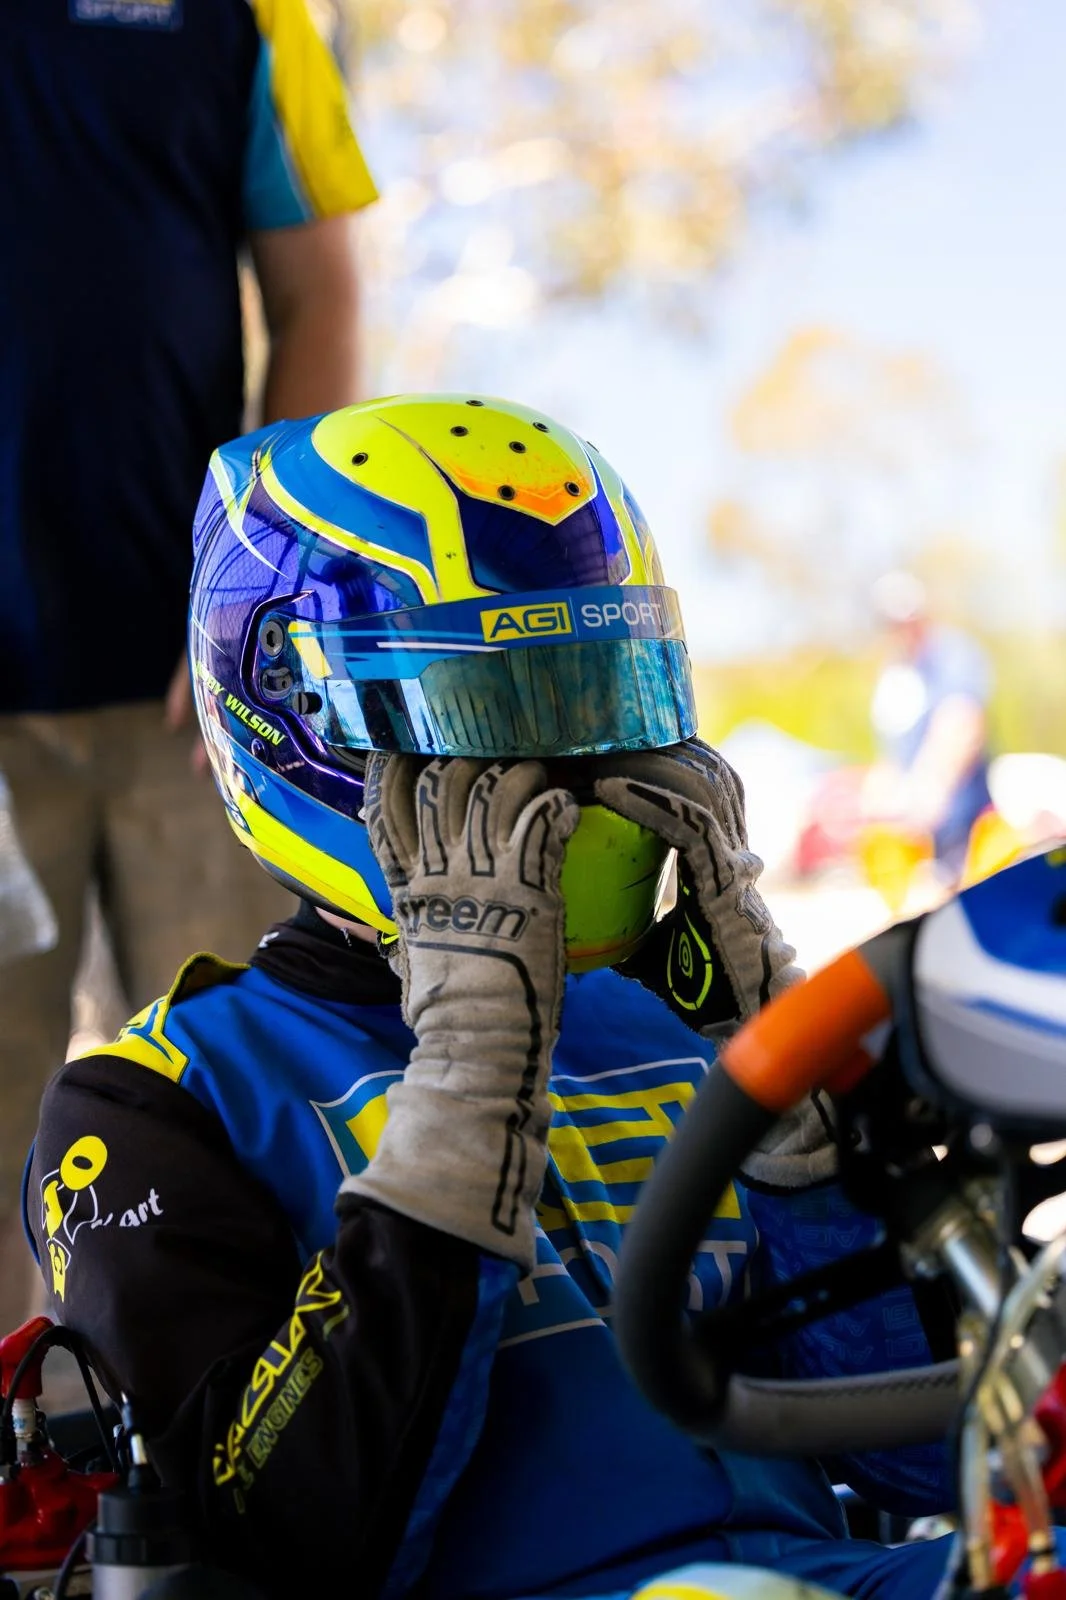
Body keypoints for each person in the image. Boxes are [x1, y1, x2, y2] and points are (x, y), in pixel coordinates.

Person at [26, 398, 955, 1600]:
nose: (565, 776)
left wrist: (808, 1117)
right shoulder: (163, 1100)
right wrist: (466, 1067)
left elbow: (938, 1458)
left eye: (591, 699)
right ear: (299, 724)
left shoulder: (675, 1017)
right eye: (491, 716)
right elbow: (290, 1545)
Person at [0, 0, 378, 1333]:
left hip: (203, 705)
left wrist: (253, 592)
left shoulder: (252, 18)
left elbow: (317, 291)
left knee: (256, 1096)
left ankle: (276, 1495)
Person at [865, 571, 993, 882]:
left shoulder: (952, 654)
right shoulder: (895, 670)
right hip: (914, 832)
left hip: (963, 825)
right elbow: (892, 750)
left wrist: (932, 787)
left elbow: (962, 722)